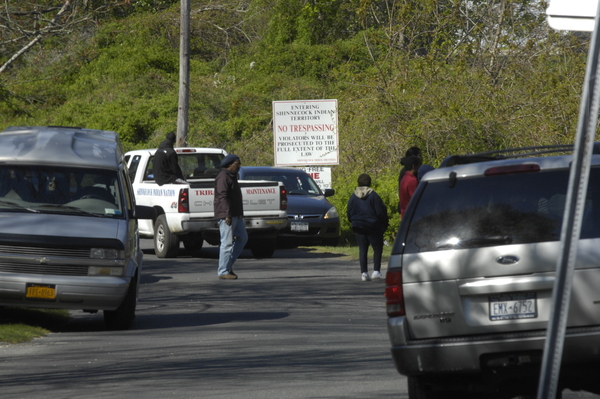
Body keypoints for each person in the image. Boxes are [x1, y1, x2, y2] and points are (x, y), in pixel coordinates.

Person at [347, 173, 389, 282]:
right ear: (370, 183)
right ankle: (376, 271)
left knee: (363, 249)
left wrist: (354, 222)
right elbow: (381, 212)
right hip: (372, 225)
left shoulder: (353, 196)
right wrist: (384, 224)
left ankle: (364, 273)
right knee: (377, 248)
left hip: (358, 225)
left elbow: (349, 213)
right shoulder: (373, 195)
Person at [214, 153, 248, 279]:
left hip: (236, 214)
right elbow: (222, 197)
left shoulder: (232, 176)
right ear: (229, 164)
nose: (239, 166)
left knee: (243, 238)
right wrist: (226, 214)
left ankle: (227, 266)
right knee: (227, 243)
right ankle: (223, 271)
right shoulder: (223, 176)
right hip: (226, 215)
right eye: (237, 164)